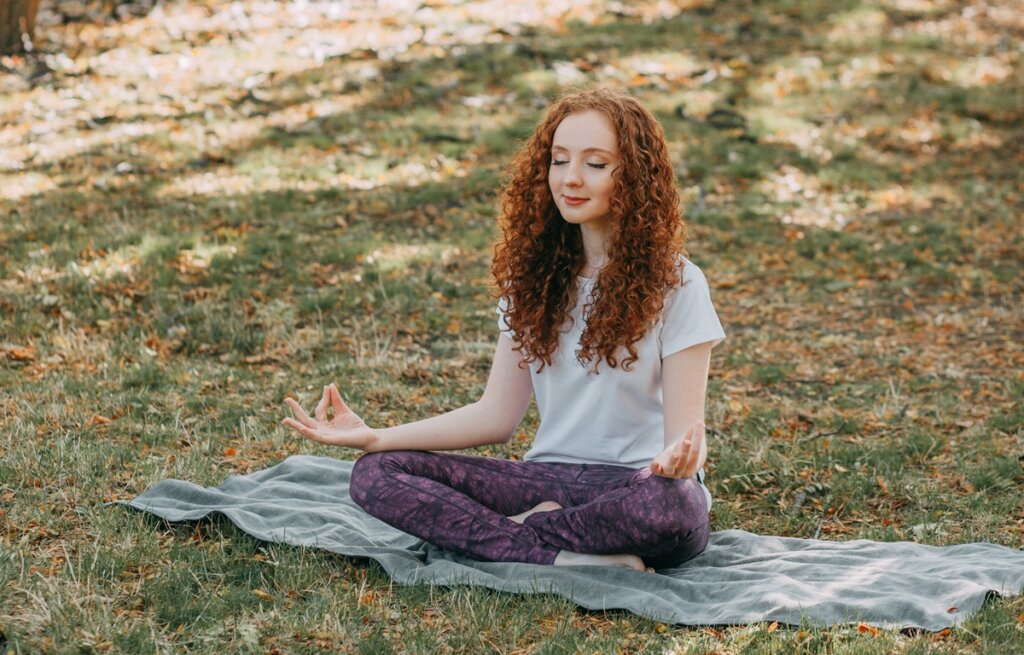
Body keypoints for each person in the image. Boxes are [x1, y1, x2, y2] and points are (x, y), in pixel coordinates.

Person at [282, 88, 726, 572]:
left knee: (675, 504)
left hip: (635, 489)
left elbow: (688, 436)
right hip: (545, 480)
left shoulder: (678, 283)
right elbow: (496, 415)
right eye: (559, 161)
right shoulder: (533, 278)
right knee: (376, 474)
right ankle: (566, 557)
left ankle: (512, 537)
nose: (571, 178)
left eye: (596, 164)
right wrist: (376, 437)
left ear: (636, 177)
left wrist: (674, 463)